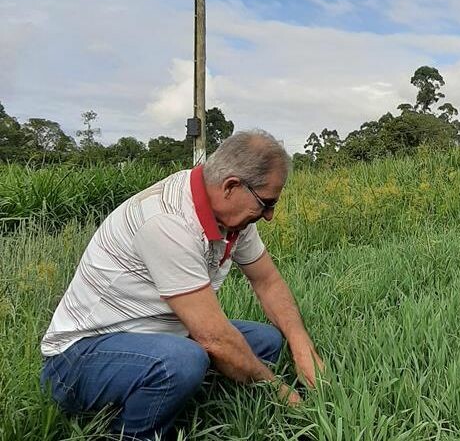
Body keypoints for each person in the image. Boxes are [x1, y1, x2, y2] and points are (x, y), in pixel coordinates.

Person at [40, 130, 324, 440]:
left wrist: (301, 347)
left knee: (267, 341)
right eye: (267, 203)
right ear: (231, 186)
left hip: (158, 336)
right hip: (78, 359)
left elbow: (267, 281)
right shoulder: (167, 219)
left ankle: (187, 399)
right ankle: (131, 433)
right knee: (184, 361)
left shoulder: (232, 218)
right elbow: (213, 337)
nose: (269, 216)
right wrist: (279, 391)